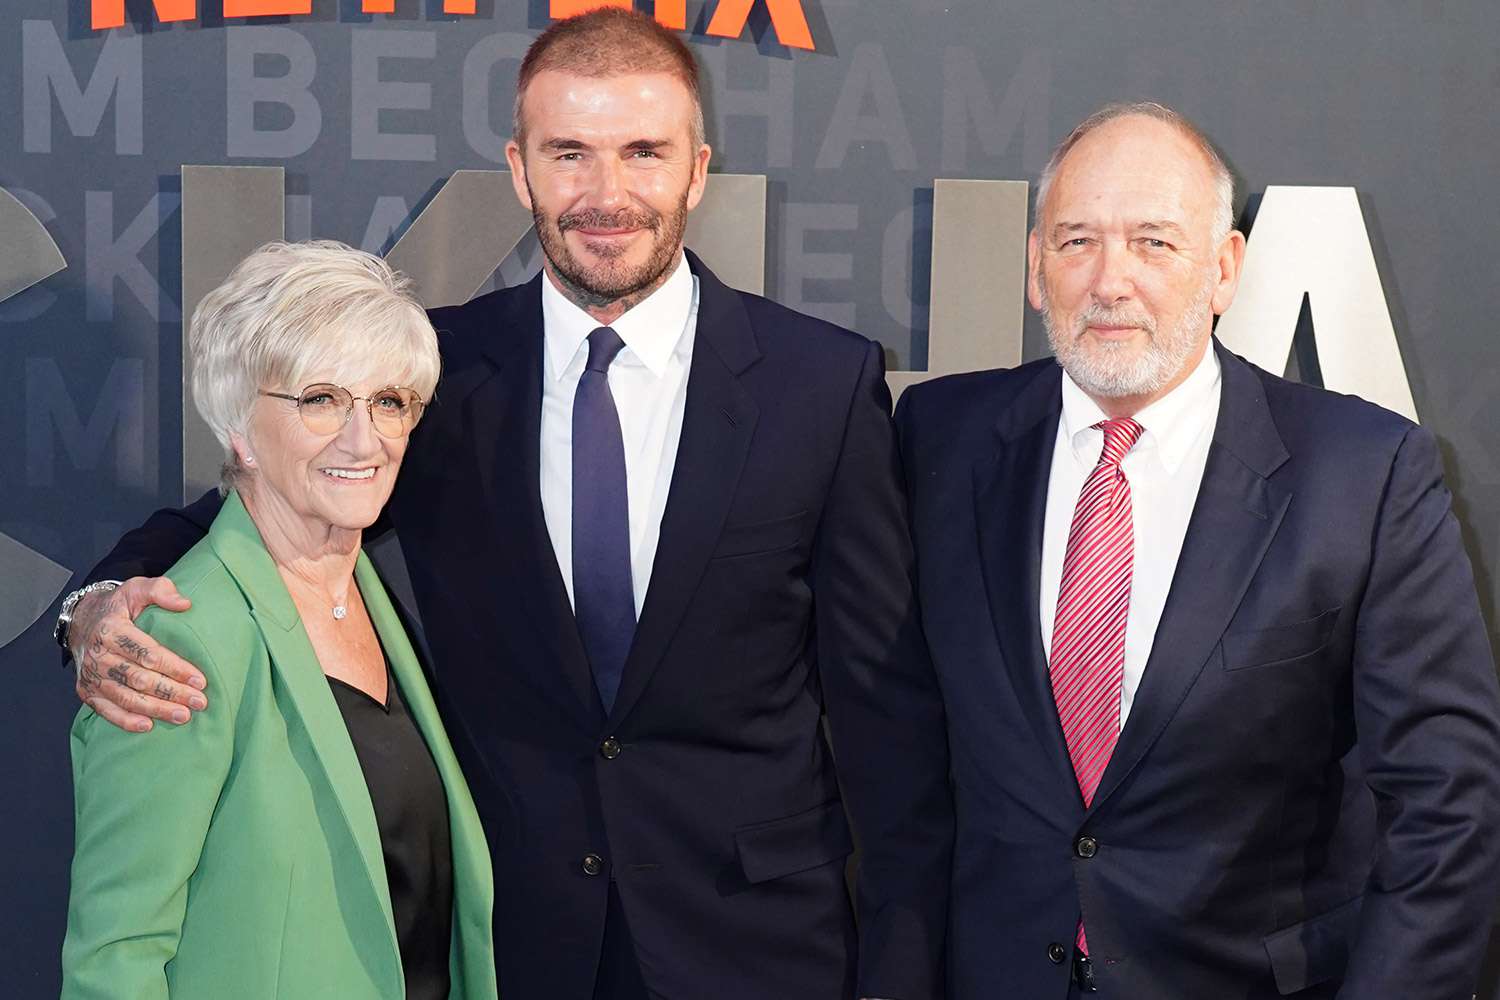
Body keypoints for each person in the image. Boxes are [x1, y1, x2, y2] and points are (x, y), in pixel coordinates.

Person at [57, 10, 952, 1000]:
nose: (607, 195)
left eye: (643, 153)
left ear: (698, 170)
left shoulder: (819, 385)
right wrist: (95, 603)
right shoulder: (434, 370)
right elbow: (250, 501)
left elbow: (888, 724)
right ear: (520, 170)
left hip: (758, 951)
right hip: (512, 946)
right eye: (570, 154)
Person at [894, 100, 1500, 999]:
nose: (1110, 281)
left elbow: (1448, 803)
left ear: (1224, 271)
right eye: (1075, 242)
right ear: (1032, 269)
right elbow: (894, 750)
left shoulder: (1364, 473)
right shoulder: (938, 437)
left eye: (1153, 242)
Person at [60, 241, 496, 999]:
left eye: (388, 401)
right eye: (320, 398)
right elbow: (117, 956)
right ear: (238, 425)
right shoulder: (178, 642)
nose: (364, 440)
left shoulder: (371, 595)